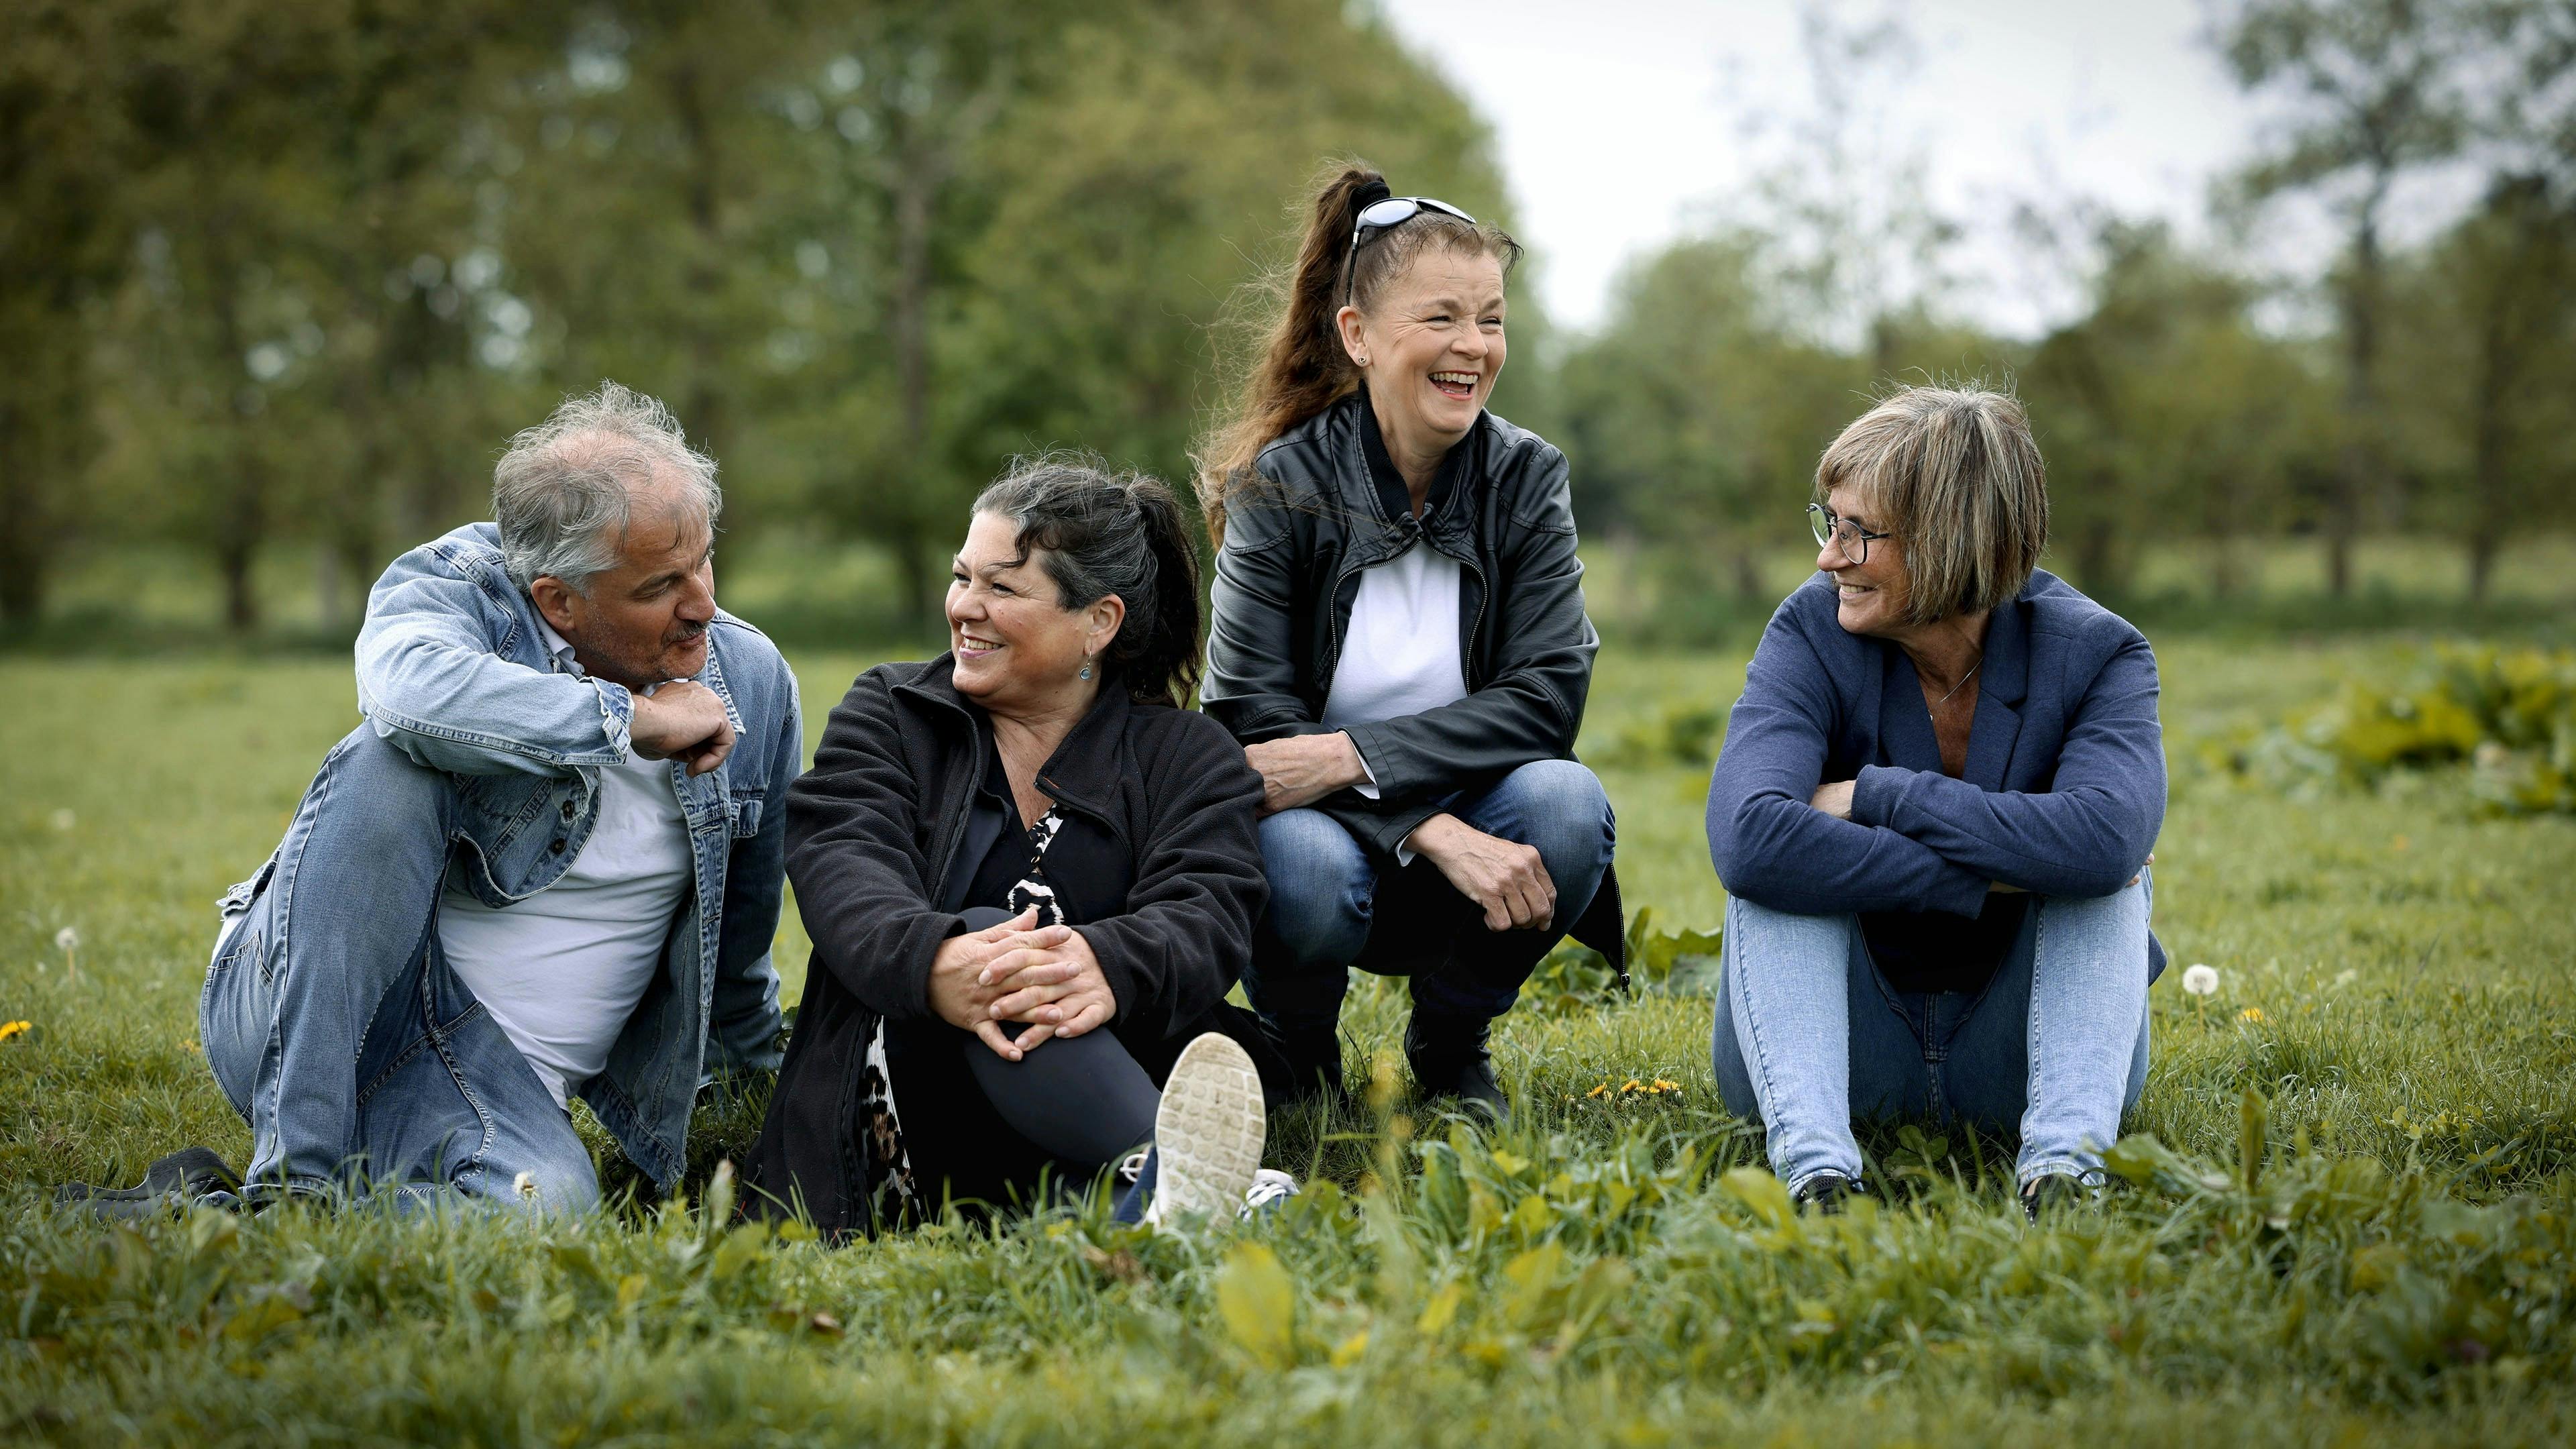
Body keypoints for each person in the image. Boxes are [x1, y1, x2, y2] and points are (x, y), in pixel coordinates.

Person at [84, 384, 801, 1218]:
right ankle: (294, 1181)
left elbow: (739, 943)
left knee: (546, 1210)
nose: (704, 605)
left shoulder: (750, 681)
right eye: (659, 586)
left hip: (491, 1083)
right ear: (558, 601)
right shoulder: (457, 589)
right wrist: (631, 721)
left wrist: (755, 1096)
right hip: (312, 1004)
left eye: (704, 560)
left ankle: (211, 1214)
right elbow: (406, 694)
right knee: (390, 760)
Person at [747, 458, 1293, 1237]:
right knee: (987, 944)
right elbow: (842, 860)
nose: (965, 607)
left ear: (1098, 622)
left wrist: (1107, 962)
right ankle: (1183, 1185)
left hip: (1108, 1079)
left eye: (1002, 588)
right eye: (961, 577)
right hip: (910, 1094)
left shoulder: (1187, 756)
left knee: (1022, 973)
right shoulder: (892, 715)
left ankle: (1137, 1205)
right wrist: (935, 961)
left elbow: (1210, 907)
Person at [1195, 163, 1621, 1120]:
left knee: (1567, 805)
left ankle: (1450, 1044)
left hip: (1474, 815)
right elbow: (1254, 728)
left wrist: (1346, 755)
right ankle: (1300, 1052)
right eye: (1442, 317)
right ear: (1358, 335)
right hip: (1322, 836)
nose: (1474, 345)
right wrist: (1420, 823)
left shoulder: (1527, 477)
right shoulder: (1279, 484)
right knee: (1299, 863)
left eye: (1492, 319)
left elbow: (1547, 697)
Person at [1704, 384, 2166, 1220]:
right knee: (1779, 881)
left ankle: (2064, 1178)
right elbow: (1748, 839)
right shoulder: (1809, 631)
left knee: (2110, 884)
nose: (1830, 557)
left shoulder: (2099, 653)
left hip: (2020, 1060)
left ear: (1955, 541)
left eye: (1860, 532)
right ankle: (1818, 1180)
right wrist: (1997, 873)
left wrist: (1877, 794)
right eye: (1829, 523)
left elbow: (2105, 842)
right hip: (1839, 1057)